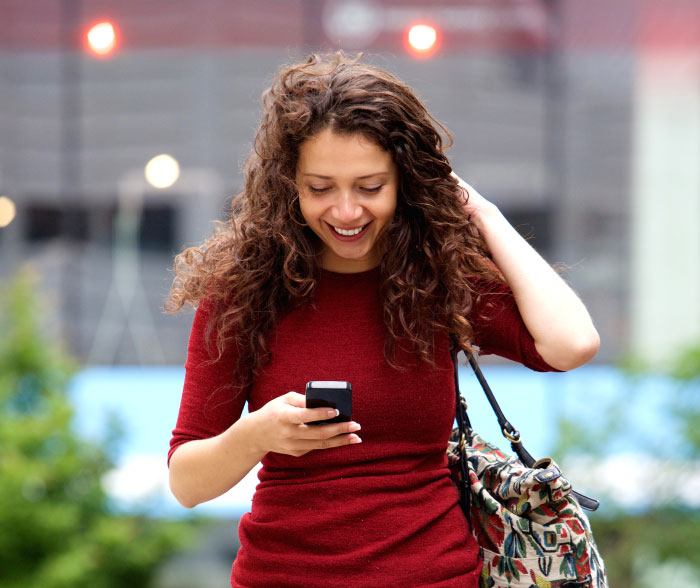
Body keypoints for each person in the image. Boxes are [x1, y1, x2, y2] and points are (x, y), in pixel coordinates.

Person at [166, 52, 599, 588]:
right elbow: (186, 482)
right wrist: (257, 435)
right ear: (288, 185)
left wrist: (481, 212)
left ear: (405, 182)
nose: (346, 212)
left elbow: (572, 343)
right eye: (320, 188)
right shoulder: (243, 290)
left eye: (370, 187)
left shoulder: (438, 276)